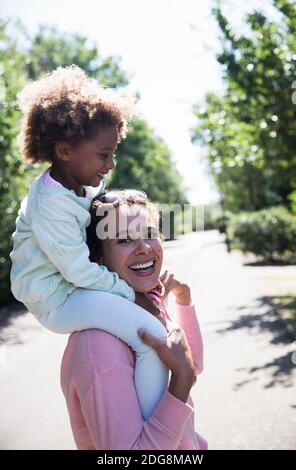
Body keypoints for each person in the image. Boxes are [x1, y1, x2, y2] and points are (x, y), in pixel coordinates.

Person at [9, 65, 168, 420]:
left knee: (147, 334)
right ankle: (148, 434)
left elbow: (103, 222)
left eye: (112, 153)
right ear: (65, 150)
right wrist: (132, 294)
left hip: (73, 289)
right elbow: (80, 271)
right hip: (58, 299)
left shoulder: (80, 186)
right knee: (151, 338)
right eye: (103, 155)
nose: (111, 163)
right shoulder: (51, 203)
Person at [61, 190, 207, 450]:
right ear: (99, 259)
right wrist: (181, 380)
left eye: (150, 234)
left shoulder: (145, 302)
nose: (144, 248)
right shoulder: (98, 343)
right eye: (124, 240)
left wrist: (184, 300)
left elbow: (190, 364)